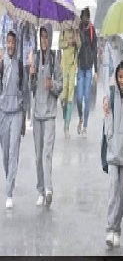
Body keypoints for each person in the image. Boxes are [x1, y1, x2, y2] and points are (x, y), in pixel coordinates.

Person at [102, 61, 123, 249]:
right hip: (113, 151)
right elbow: (108, 120)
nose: (122, 80)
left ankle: (117, 229)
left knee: (122, 194)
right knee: (113, 190)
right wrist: (110, 136)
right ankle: (109, 228)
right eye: (119, 76)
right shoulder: (111, 94)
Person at [30, 25, 63, 208]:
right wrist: (32, 76)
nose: (44, 40)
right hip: (37, 114)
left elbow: (61, 86)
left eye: (46, 37)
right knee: (37, 156)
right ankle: (41, 190)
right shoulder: (35, 58)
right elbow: (32, 89)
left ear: (50, 39)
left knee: (47, 154)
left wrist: (53, 85)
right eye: (41, 37)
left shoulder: (54, 59)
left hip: (50, 114)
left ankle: (49, 189)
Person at [0, 31, 29, 209]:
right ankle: (10, 176)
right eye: (8, 42)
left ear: (16, 45)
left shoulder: (20, 66)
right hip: (3, 112)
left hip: (17, 112)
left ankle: (9, 192)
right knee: (5, 154)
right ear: (5, 44)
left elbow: (26, 93)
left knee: (13, 153)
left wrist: (25, 116)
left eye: (13, 42)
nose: (11, 45)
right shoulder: (2, 65)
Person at [76, 8, 99, 136]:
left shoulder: (92, 30)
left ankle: (85, 126)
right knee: (79, 98)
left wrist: (97, 70)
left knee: (87, 98)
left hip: (89, 67)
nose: (86, 19)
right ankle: (80, 117)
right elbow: (76, 47)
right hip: (80, 67)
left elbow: (95, 49)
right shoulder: (78, 30)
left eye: (87, 17)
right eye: (84, 17)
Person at [58, 26, 79, 138]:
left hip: (73, 65)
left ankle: (67, 126)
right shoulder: (63, 30)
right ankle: (65, 115)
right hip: (64, 64)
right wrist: (68, 42)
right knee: (63, 95)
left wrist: (76, 39)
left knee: (70, 95)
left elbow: (80, 45)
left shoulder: (76, 31)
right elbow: (60, 44)